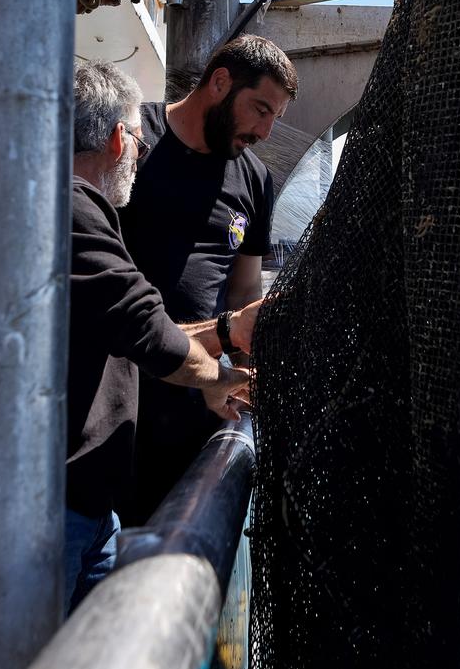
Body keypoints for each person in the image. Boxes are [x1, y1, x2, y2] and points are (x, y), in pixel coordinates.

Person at [66, 60, 258, 608]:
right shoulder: (76, 209)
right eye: (136, 143)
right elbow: (142, 322)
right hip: (58, 506)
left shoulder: (71, 206)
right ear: (116, 137)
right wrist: (216, 376)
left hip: (90, 501)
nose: (140, 155)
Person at [117, 35, 297, 523]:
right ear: (220, 82)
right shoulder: (134, 139)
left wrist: (243, 374)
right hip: (116, 406)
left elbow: (243, 291)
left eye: (274, 119)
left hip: (200, 405)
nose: (264, 130)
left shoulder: (255, 179)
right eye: (260, 109)